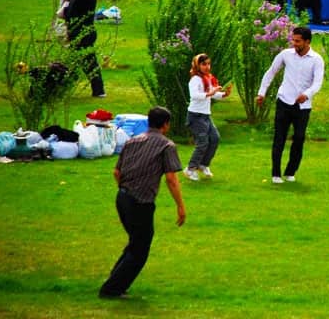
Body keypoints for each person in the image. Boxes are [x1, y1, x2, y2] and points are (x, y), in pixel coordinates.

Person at [99, 106, 186, 299]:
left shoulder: (132, 141)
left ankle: (115, 281)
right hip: (141, 202)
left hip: (122, 198)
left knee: (135, 243)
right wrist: (180, 206)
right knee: (140, 250)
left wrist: (125, 189)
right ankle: (111, 289)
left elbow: (116, 172)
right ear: (166, 124)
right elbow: (171, 179)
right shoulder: (167, 146)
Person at [257, 26, 325, 184]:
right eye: (293, 40)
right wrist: (262, 92)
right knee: (279, 137)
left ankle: (290, 171)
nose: (294, 43)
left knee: (299, 138)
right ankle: (275, 174)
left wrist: (306, 94)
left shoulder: (316, 59)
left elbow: (318, 83)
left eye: (298, 41)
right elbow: (271, 72)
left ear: (307, 41)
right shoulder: (285, 55)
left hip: (303, 106)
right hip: (284, 101)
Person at [184, 53, 232, 182]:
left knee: (215, 138)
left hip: (206, 115)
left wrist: (223, 94)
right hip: (195, 116)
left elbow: (213, 95)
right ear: (197, 65)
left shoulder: (208, 78)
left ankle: (203, 165)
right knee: (203, 143)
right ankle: (190, 169)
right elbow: (195, 95)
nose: (207, 66)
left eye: (208, 64)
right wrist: (211, 92)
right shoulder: (195, 79)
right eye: (203, 64)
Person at [64, 0, 106, 98]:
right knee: (72, 62)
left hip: (85, 34)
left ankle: (99, 91)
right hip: (76, 33)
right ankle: (63, 87)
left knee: (89, 62)